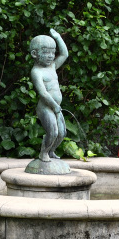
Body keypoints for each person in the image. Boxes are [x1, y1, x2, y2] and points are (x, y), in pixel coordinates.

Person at [29, 29, 69, 163]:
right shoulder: (36, 72)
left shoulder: (52, 66)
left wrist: (58, 38)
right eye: (46, 52)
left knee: (62, 133)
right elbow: (43, 93)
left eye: (53, 52)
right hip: (46, 107)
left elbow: (64, 54)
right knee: (53, 132)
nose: (51, 56)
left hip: (56, 107)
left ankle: (51, 151)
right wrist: (54, 106)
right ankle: (43, 153)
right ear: (35, 54)